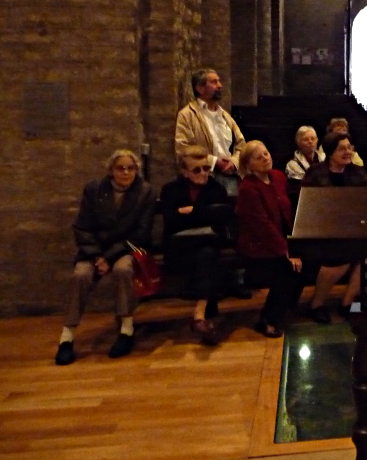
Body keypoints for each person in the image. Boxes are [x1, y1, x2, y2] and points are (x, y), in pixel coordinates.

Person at [55, 149, 156, 365]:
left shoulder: (144, 192)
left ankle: (126, 329)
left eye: (131, 168)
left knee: (123, 270)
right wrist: (96, 255)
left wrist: (108, 258)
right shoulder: (95, 190)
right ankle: (67, 337)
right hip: (95, 249)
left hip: (126, 248)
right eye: (121, 168)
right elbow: (82, 227)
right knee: (81, 275)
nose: (126, 173)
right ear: (111, 171)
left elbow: (141, 233)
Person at [159, 145, 231, 345]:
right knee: (207, 256)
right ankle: (204, 316)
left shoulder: (216, 188)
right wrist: (203, 213)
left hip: (207, 246)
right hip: (179, 248)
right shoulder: (171, 190)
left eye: (206, 168)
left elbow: (221, 217)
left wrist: (191, 212)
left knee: (207, 255)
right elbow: (171, 220)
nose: (204, 173)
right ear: (184, 171)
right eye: (197, 170)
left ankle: (200, 316)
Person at [235, 141, 304, 338]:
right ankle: (268, 319)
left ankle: (284, 308)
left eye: (266, 153)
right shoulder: (248, 188)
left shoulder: (278, 177)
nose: (266, 158)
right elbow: (262, 226)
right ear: (248, 165)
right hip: (258, 246)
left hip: (281, 239)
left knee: (308, 261)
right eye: (259, 157)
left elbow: (286, 214)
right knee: (287, 271)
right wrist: (287, 252)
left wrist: (296, 243)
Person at [301, 132, 367, 321]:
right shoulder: (316, 173)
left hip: (351, 230)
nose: (348, 152)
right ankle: (316, 304)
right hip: (322, 231)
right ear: (330, 152)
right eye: (342, 149)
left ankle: (347, 303)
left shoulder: (358, 173)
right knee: (340, 258)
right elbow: (307, 204)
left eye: (349, 147)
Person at [175, 69, 246, 195]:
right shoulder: (187, 115)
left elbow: (241, 144)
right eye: (214, 82)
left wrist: (234, 162)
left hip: (230, 176)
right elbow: (183, 149)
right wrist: (214, 161)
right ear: (200, 88)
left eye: (218, 81)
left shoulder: (225, 116)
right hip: (204, 176)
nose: (220, 85)